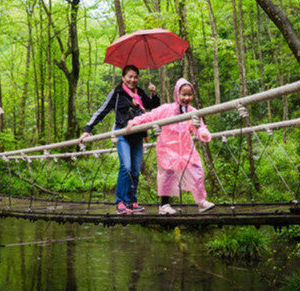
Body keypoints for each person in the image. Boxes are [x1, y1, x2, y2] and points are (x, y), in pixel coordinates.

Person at [78, 65, 160, 215]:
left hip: (138, 134)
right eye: (130, 76)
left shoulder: (140, 92)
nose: (133, 80)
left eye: (135, 77)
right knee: (126, 167)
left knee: (135, 170)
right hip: (122, 133)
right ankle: (121, 202)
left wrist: (153, 93)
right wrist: (87, 130)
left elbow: (154, 107)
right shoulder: (117, 92)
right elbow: (101, 111)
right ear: (123, 77)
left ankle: (132, 202)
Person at [126, 78, 215, 215]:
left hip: (185, 148)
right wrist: (135, 121)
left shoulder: (192, 111)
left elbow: (199, 127)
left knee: (197, 171)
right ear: (177, 94)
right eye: (183, 94)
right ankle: (164, 205)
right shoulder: (166, 109)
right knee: (167, 176)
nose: (187, 98)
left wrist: (203, 133)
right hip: (167, 148)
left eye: (189, 94)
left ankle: (201, 201)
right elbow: (150, 116)